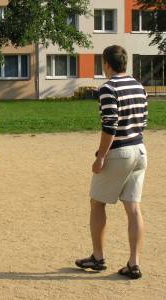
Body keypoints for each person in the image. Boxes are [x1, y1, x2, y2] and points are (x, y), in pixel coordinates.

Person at [75, 45, 148, 279]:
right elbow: (143, 120)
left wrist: (101, 156)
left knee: (97, 203)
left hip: (119, 151)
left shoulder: (108, 88)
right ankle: (134, 263)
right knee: (133, 208)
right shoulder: (138, 85)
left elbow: (110, 125)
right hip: (140, 149)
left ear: (106, 63)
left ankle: (98, 257)